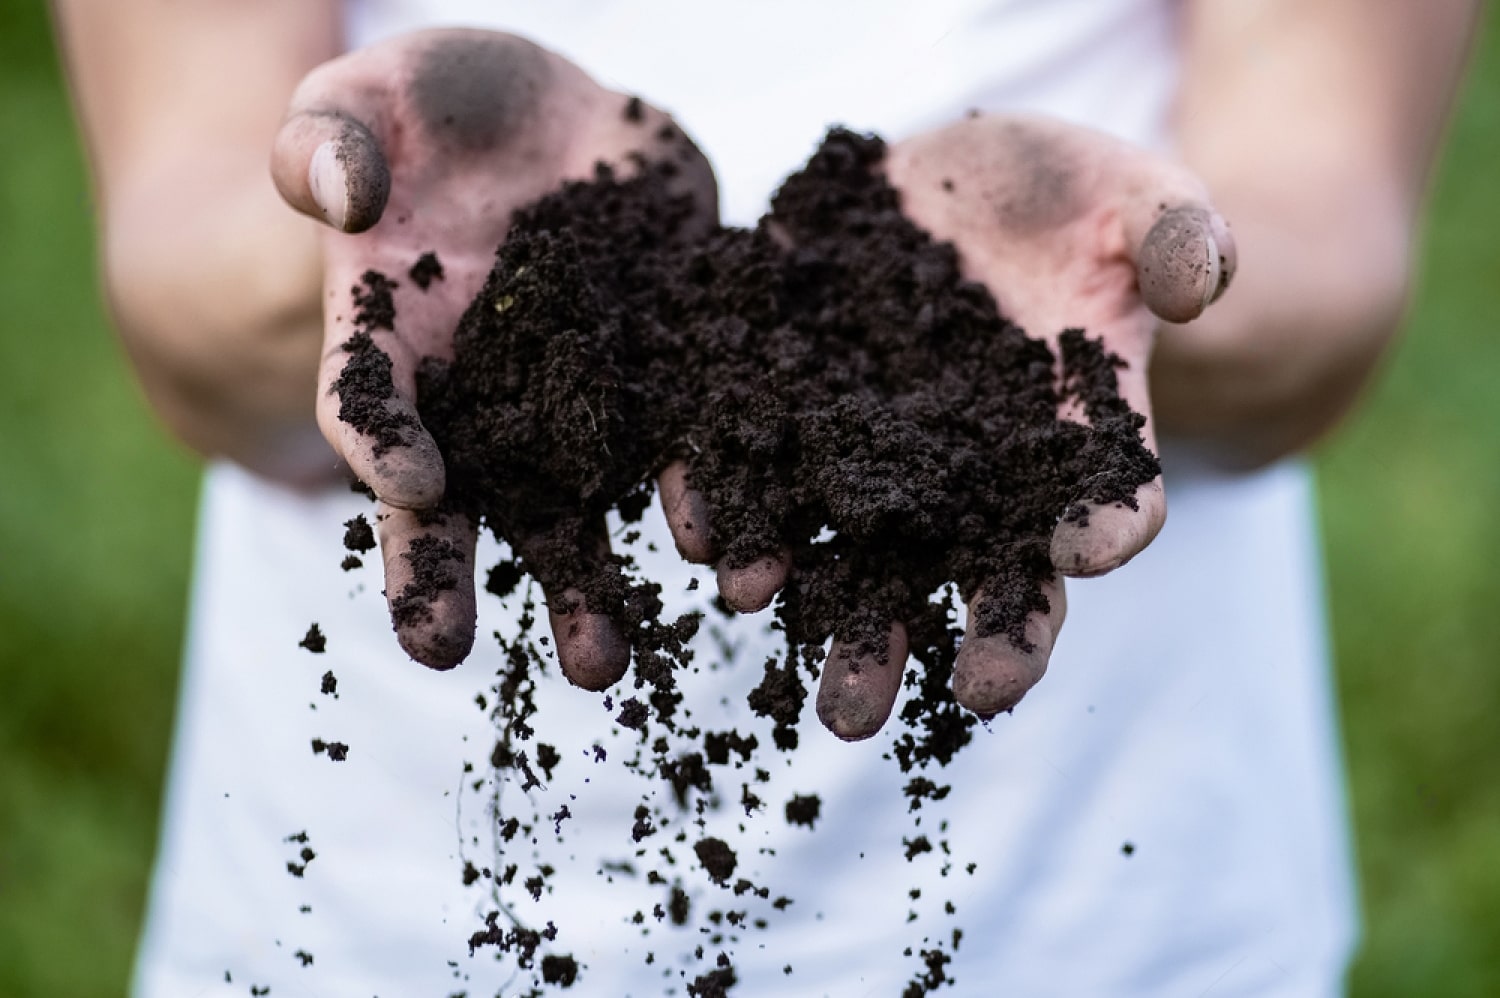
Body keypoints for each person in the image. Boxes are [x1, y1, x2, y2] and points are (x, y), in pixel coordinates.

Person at [52, 1, 1476, 995]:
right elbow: (176, 272)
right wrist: (363, 257)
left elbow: (1332, 234)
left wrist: (1139, 283)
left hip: (1114, 914)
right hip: (364, 920)